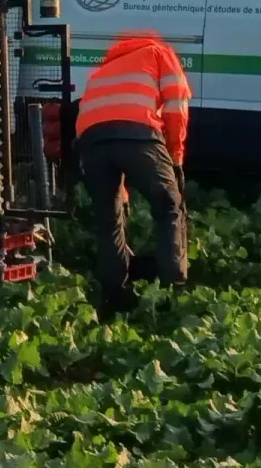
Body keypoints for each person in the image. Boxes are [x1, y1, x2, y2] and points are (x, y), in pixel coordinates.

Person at [74, 29, 190, 313]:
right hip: (139, 134)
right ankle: (171, 292)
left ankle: (115, 295)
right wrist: (175, 158)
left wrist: (122, 193)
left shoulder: (102, 70)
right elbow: (176, 107)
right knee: (169, 207)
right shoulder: (159, 53)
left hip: (90, 142)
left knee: (109, 219)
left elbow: (96, 119)